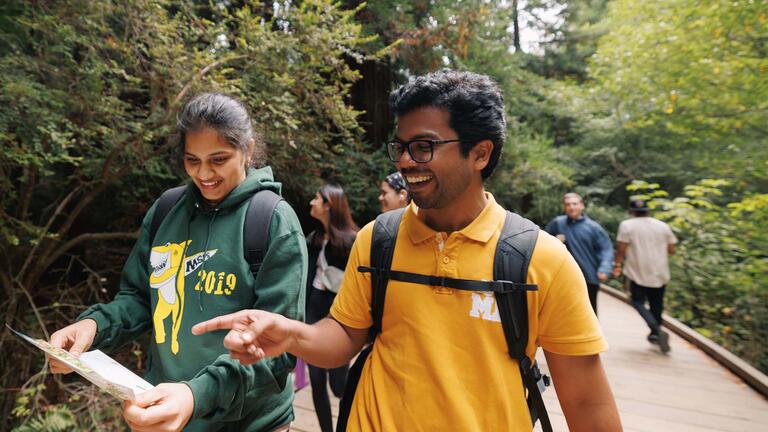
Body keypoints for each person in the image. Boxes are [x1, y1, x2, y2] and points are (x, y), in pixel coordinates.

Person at [193, 70, 622, 431]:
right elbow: (345, 336)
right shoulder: (378, 239)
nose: (403, 162)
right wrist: (291, 334)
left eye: (424, 147)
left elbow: (586, 403)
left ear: (480, 153)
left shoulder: (540, 260)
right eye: (400, 147)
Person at [48, 93, 307, 432]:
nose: (204, 174)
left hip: (248, 423)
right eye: (192, 160)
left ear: (247, 149)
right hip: (162, 412)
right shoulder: (168, 211)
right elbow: (141, 298)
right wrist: (94, 327)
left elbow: (279, 349)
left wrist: (195, 395)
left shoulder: (271, 221)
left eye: (218, 159)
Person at [305, 183, 358, 432]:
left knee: (339, 385)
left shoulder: (351, 242)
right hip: (313, 312)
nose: (312, 203)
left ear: (328, 204)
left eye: (316, 198)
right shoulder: (313, 239)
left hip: (338, 317)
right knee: (316, 380)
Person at [613, 199, 677, 354]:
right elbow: (671, 250)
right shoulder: (663, 226)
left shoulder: (627, 225)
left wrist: (617, 265)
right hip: (660, 273)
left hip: (637, 272)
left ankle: (656, 330)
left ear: (631, 211)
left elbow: (622, 248)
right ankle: (656, 334)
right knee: (657, 305)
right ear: (648, 211)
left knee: (637, 301)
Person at [545, 192, 614, 315]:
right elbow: (543, 242)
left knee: (590, 312)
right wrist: (555, 241)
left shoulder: (593, 227)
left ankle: (593, 335)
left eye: (575, 204)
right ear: (564, 207)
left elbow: (606, 249)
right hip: (564, 277)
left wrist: (604, 269)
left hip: (589, 276)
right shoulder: (558, 223)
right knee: (564, 310)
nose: (571, 207)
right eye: (568, 204)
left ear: (582, 205)